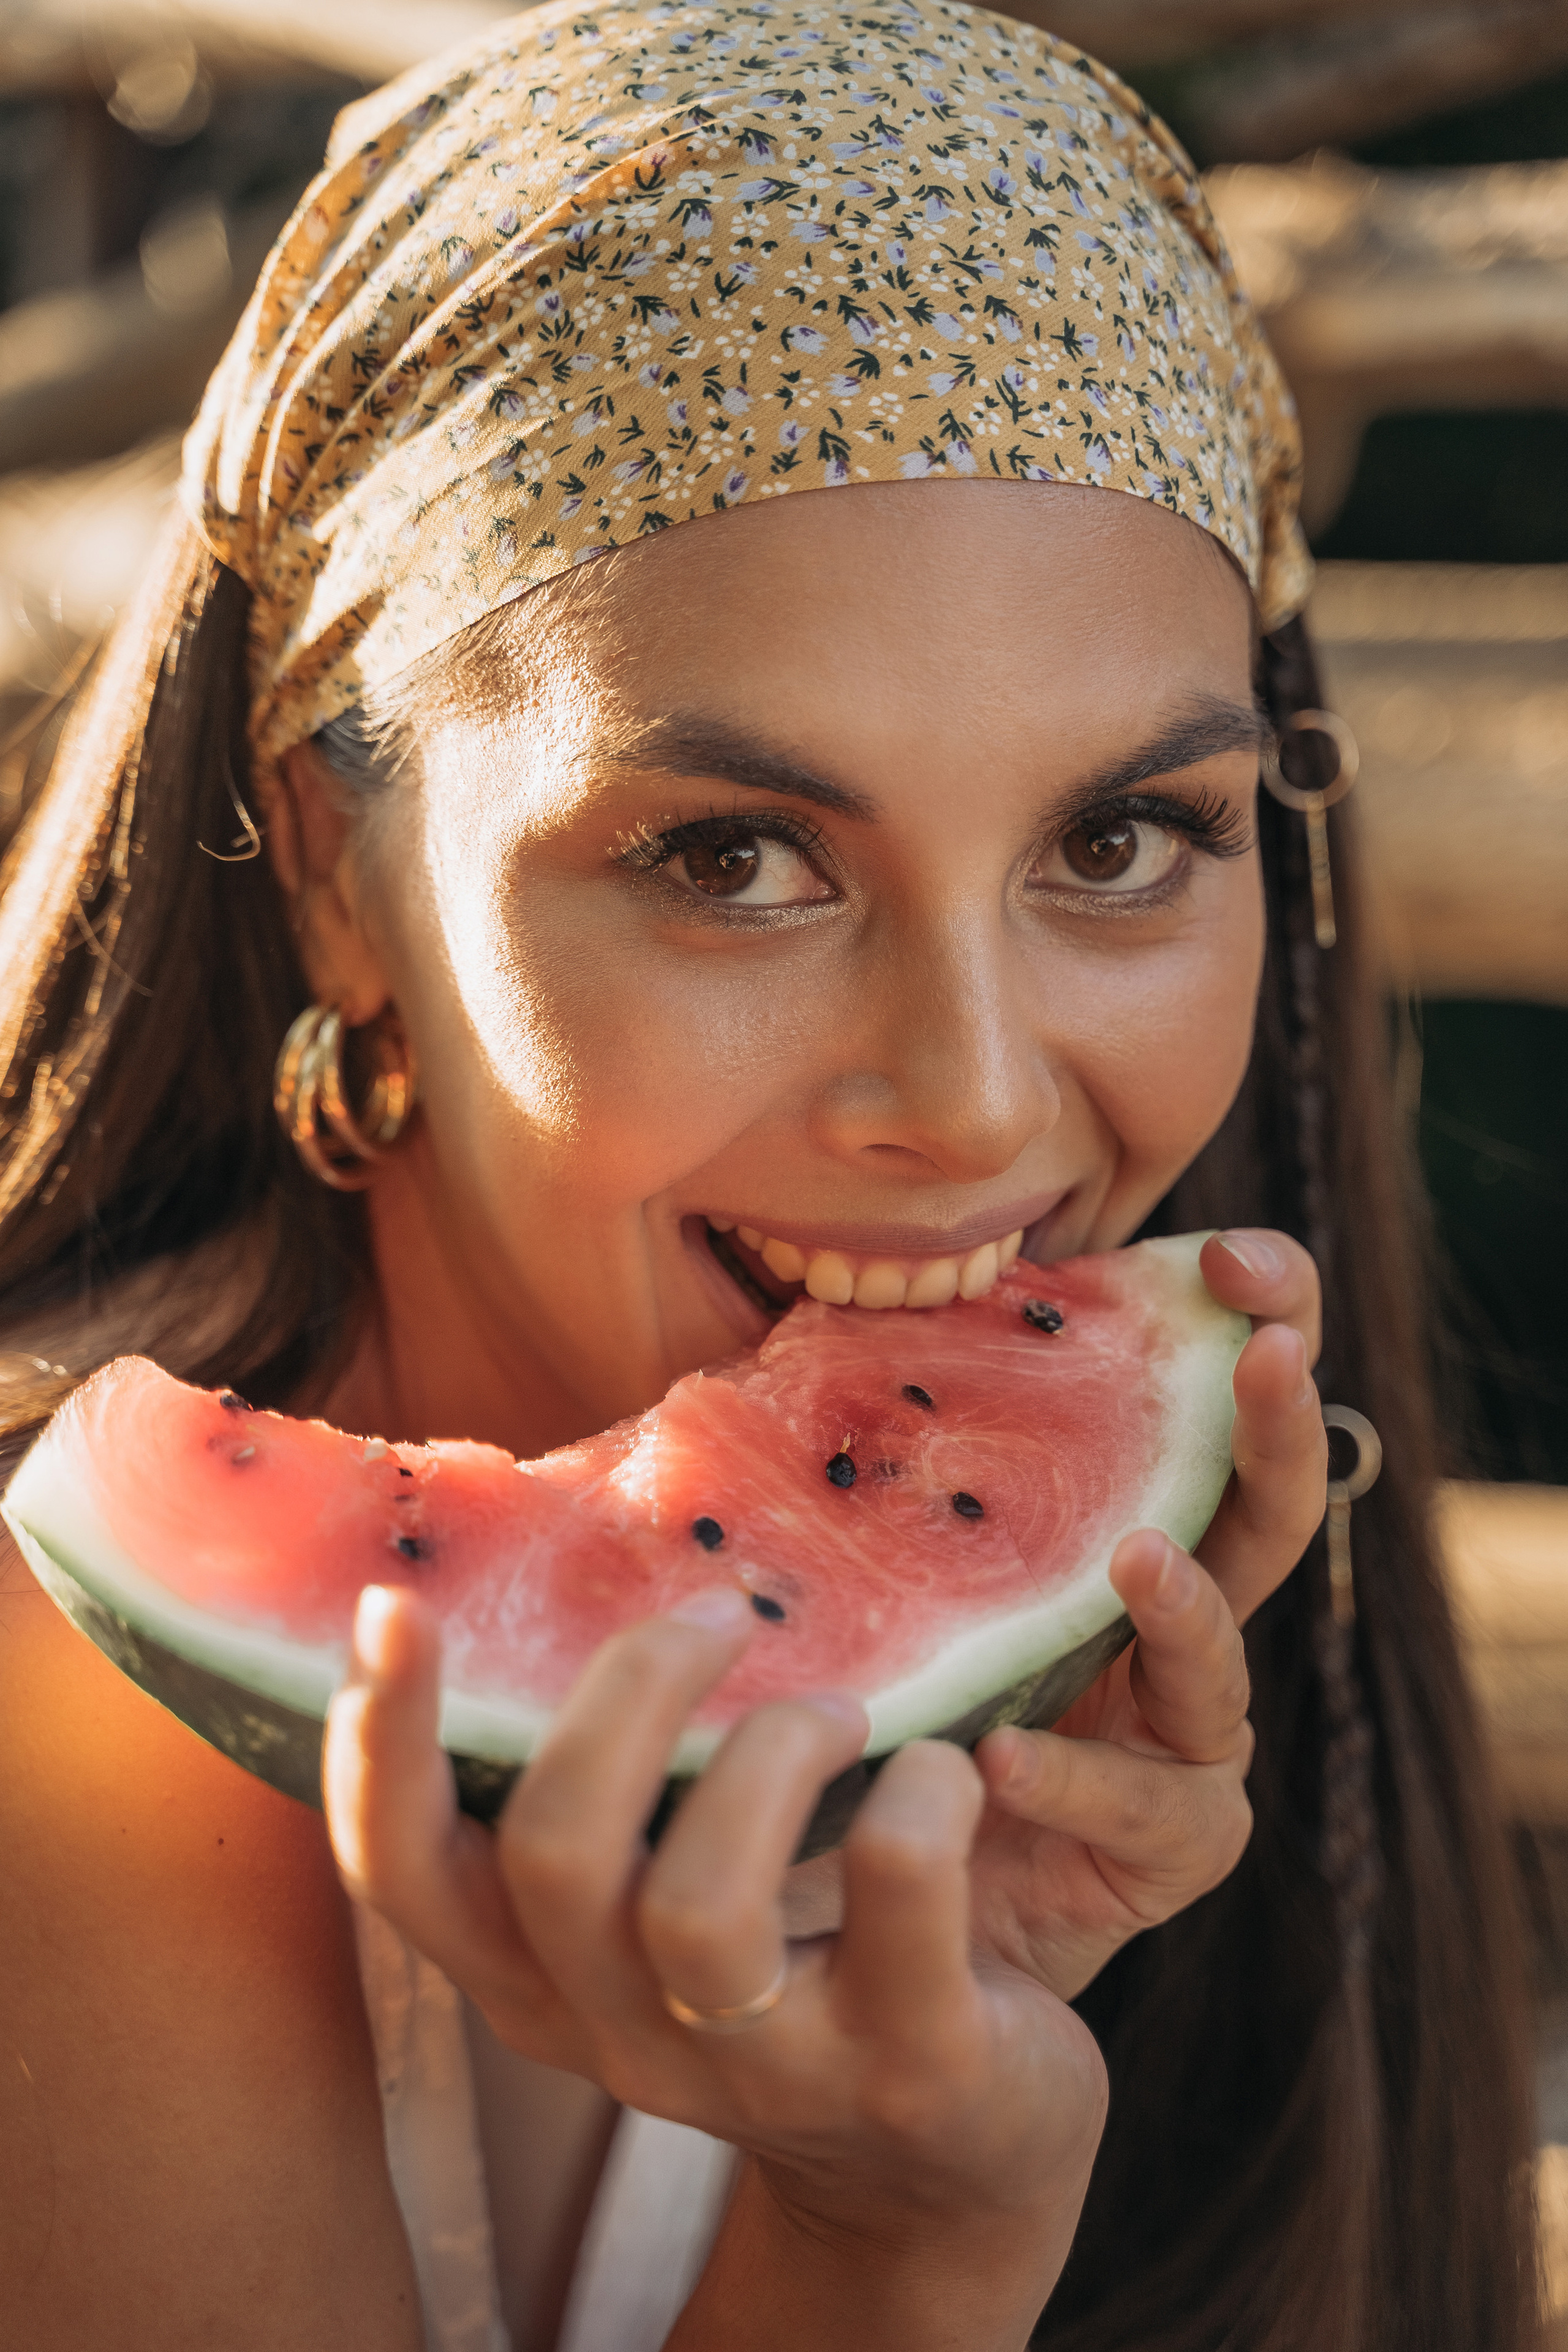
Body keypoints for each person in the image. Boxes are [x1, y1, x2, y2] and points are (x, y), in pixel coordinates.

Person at [0, 4, 1537, 2346]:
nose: (982, 1099)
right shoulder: (58, 1722)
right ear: (332, 873)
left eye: (1122, 840)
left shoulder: (1138, 1729)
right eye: (736, 857)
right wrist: (893, 2242)